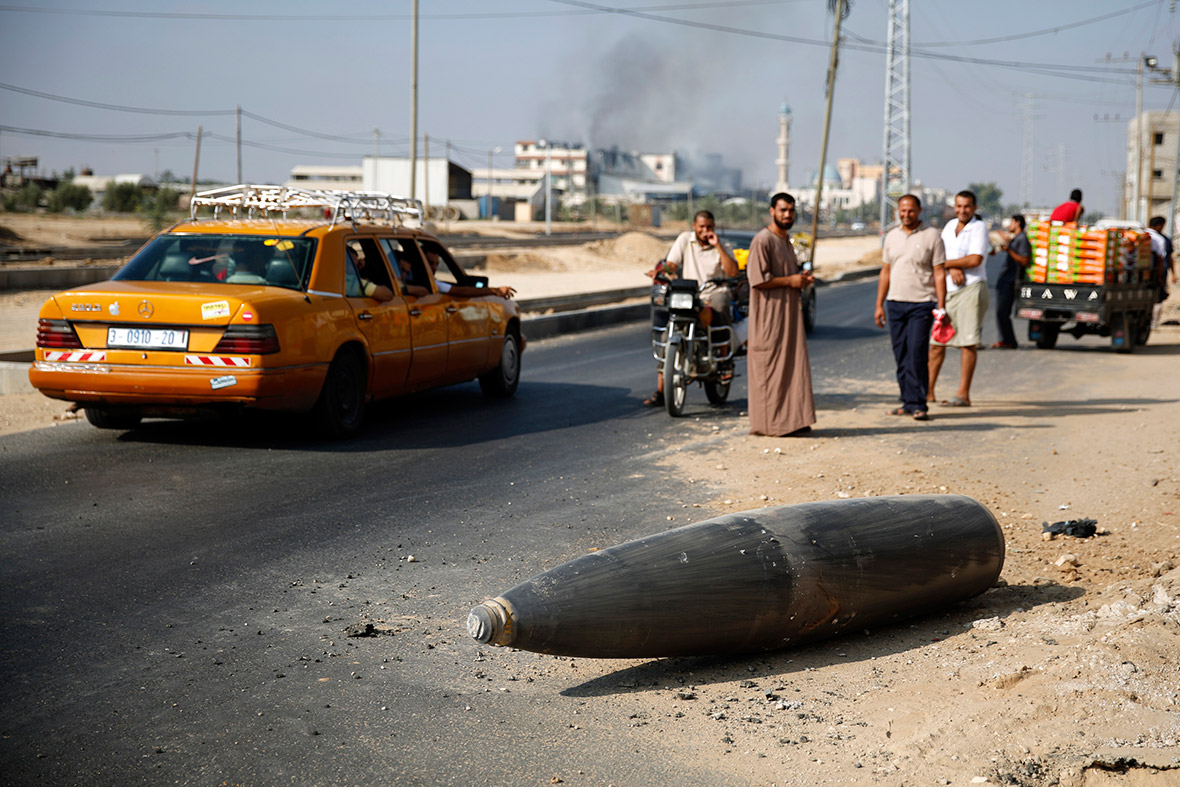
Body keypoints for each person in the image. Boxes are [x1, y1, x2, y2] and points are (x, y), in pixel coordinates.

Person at [644, 210, 739, 407]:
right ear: (694, 226)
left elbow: (732, 271)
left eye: (709, 227)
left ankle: (724, 360)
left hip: (713, 293)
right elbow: (671, 263)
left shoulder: (722, 245)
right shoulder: (685, 240)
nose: (705, 231)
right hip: (691, 295)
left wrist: (718, 246)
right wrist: (662, 271)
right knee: (667, 331)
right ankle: (661, 391)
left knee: (722, 304)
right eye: (702, 227)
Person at [745, 192, 816, 436]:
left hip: (789, 314)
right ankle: (769, 425)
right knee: (769, 369)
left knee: (792, 366)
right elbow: (758, 280)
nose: (788, 215)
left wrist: (801, 280)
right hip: (769, 317)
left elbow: (788, 276)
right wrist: (791, 280)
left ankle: (792, 421)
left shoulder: (786, 241)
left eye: (791, 210)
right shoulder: (762, 241)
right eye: (783, 210)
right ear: (772, 211)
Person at [873, 194, 947, 421]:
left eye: (911, 211)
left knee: (916, 354)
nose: (906, 215)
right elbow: (885, 271)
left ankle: (919, 404)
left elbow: (939, 272)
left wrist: (941, 307)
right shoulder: (892, 237)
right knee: (901, 355)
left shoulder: (932, 236)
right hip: (895, 303)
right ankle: (907, 401)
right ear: (898, 211)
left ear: (919, 210)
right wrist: (879, 304)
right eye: (902, 211)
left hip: (922, 304)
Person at [929, 190, 990, 407]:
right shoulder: (948, 227)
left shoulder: (979, 227)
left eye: (966, 207)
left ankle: (963, 393)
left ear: (974, 208)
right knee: (937, 342)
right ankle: (928, 392)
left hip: (971, 289)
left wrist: (949, 265)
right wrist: (952, 266)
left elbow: (975, 259)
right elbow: (939, 253)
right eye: (958, 206)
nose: (962, 210)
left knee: (967, 343)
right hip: (947, 291)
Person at [990, 214, 1029, 349]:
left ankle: (1009, 341)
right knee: (1000, 312)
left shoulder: (1022, 239)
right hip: (1005, 278)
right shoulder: (1015, 238)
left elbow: (1024, 260)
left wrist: (1009, 250)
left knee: (1003, 311)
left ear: (1018, 223)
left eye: (1011, 222)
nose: (1009, 225)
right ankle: (1004, 339)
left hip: (1011, 280)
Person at [413, 250, 516, 299]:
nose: (434, 268)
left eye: (436, 264)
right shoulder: (430, 284)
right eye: (430, 263)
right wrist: (496, 290)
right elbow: (461, 291)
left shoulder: (411, 279)